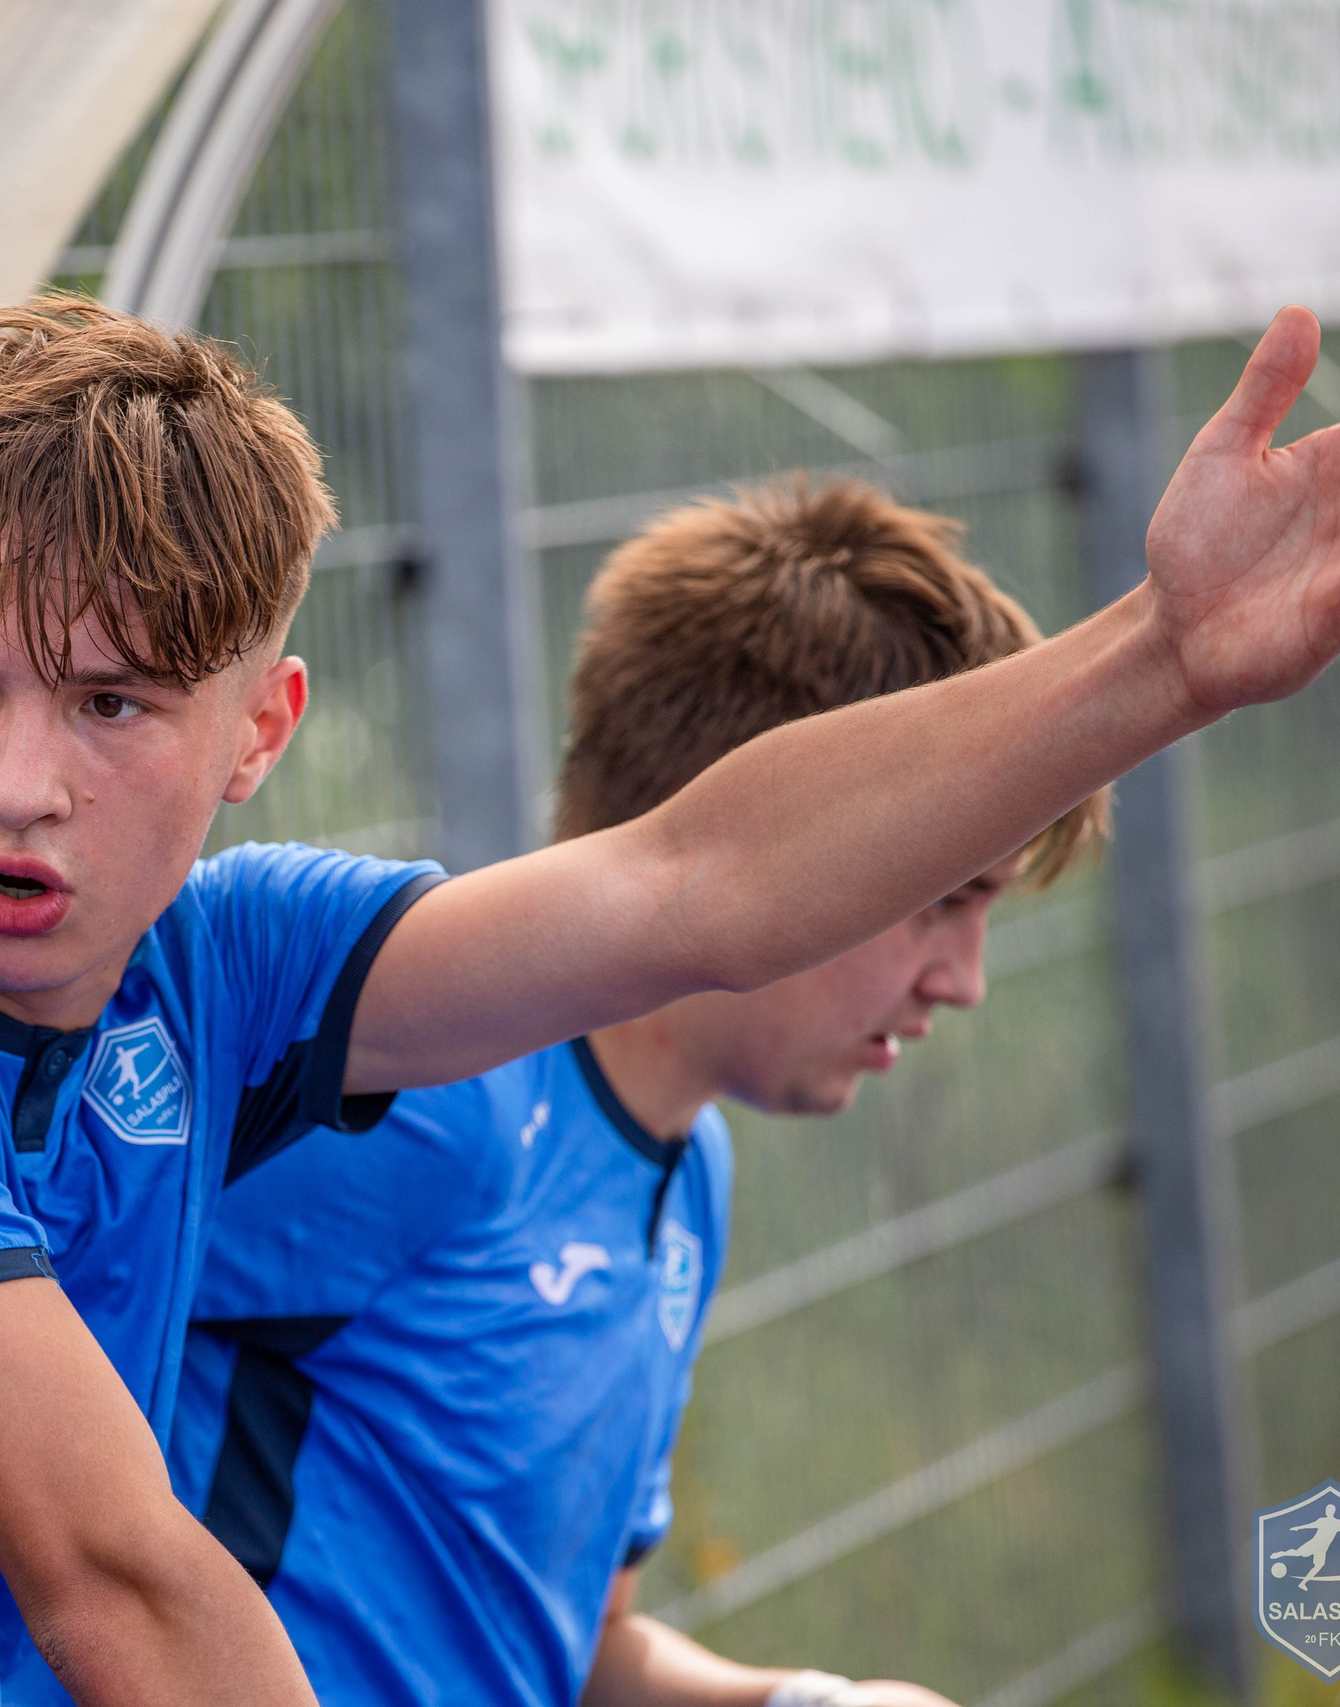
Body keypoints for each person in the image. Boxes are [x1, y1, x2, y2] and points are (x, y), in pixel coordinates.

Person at [0, 293, 1340, 1707]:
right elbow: (110, 1561)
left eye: (111, 704)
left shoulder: (217, 970)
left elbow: (690, 883)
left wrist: (1161, 660)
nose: (13, 779)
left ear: (258, 730)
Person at [168, 482, 1102, 1707]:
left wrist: (799, 1704)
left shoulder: (689, 1163)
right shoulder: (429, 1092)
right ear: (780, 849)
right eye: (940, 897)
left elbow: (578, 1652)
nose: (966, 981)